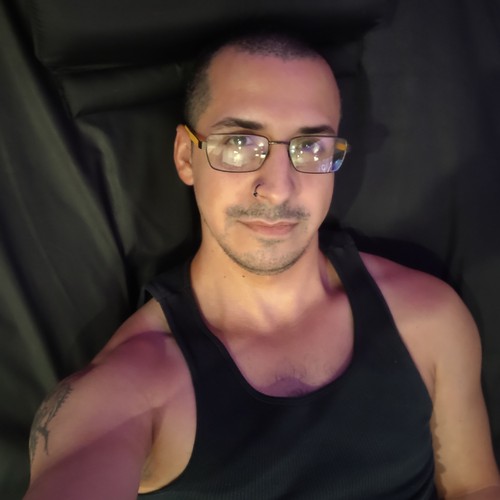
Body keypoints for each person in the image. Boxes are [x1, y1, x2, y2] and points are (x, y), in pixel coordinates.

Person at [24, 32, 500, 500]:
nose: (278, 189)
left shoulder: (427, 316)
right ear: (186, 156)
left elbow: (472, 485)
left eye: (310, 147)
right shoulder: (129, 388)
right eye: (239, 143)